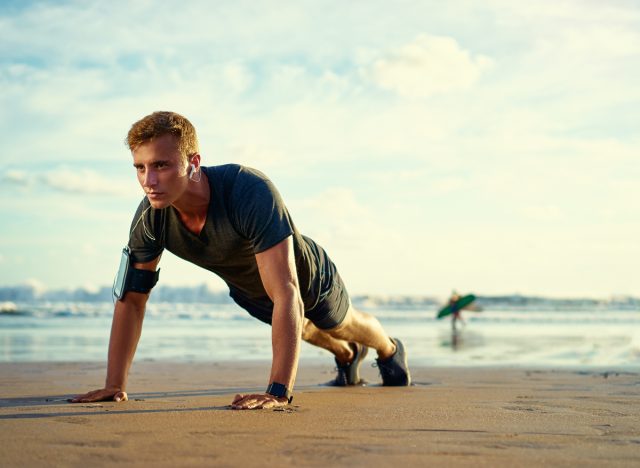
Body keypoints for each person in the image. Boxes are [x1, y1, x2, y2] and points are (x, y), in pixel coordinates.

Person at [72, 111, 410, 410]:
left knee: (342, 324)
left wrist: (278, 391)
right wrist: (115, 384)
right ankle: (347, 355)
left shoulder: (248, 189)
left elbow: (288, 291)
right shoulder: (150, 219)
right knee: (305, 330)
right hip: (250, 290)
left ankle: (388, 349)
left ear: (193, 163)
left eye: (161, 165)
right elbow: (131, 301)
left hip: (306, 279)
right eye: (141, 167)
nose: (149, 180)